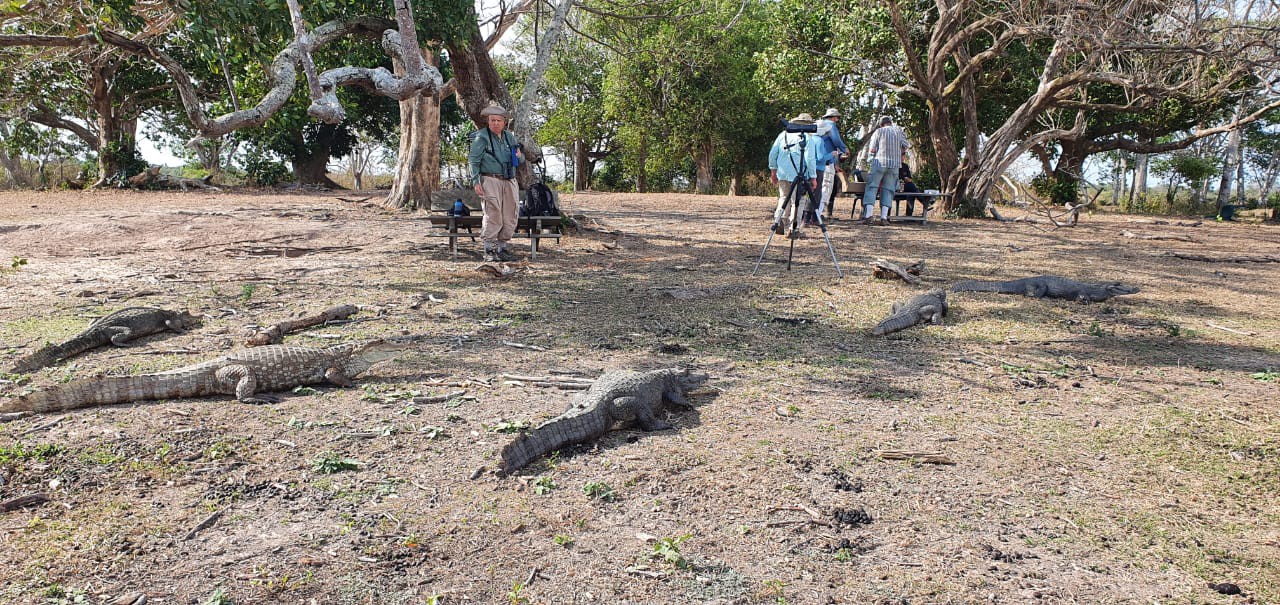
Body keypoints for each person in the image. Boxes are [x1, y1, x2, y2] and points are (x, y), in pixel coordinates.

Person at [468, 102, 524, 262]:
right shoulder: (482, 137)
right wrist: (476, 181)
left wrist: (520, 156)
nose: (495, 123)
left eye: (498, 120)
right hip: (490, 179)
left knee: (511, 213)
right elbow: (473, 160)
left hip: (509, 180)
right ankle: (489, 249)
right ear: (488, 121)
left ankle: (502, 248)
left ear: (504, 122)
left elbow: (520, 160)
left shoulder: (509, 137)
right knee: (493, 213)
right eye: (492, 120)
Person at [767, 113, 820, 237]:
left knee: (783, 197)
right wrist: (813, 177)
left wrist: (773, 170)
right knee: (798, 200)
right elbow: (810, 159)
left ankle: (779, 220)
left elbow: (773, 153)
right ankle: (793, 228)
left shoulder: (783, 135)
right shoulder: (807, 138)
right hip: (799, 173)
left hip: (783, 172)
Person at [859, 115, 910, 225]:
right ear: (890, 123)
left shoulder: (879, 131)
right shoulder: (899, 131)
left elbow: (872, 150)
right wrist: (897, 151)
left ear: (881, 124)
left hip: (880, 162)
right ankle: (884, 218)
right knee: (888, 189)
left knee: (872, 187)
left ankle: (868, 216)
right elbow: (906, 145)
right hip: (894, 165)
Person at [812, 108, 849, 223]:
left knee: (816, 189)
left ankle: (813, 214)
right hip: (826, 161)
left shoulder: (816, 126)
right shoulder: (830, 125)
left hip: (815, 162)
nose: (837, 120)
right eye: (837, 117)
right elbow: (836, 140)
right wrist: (845, 149)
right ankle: (817, 214)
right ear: (833, 117)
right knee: (826, 187)